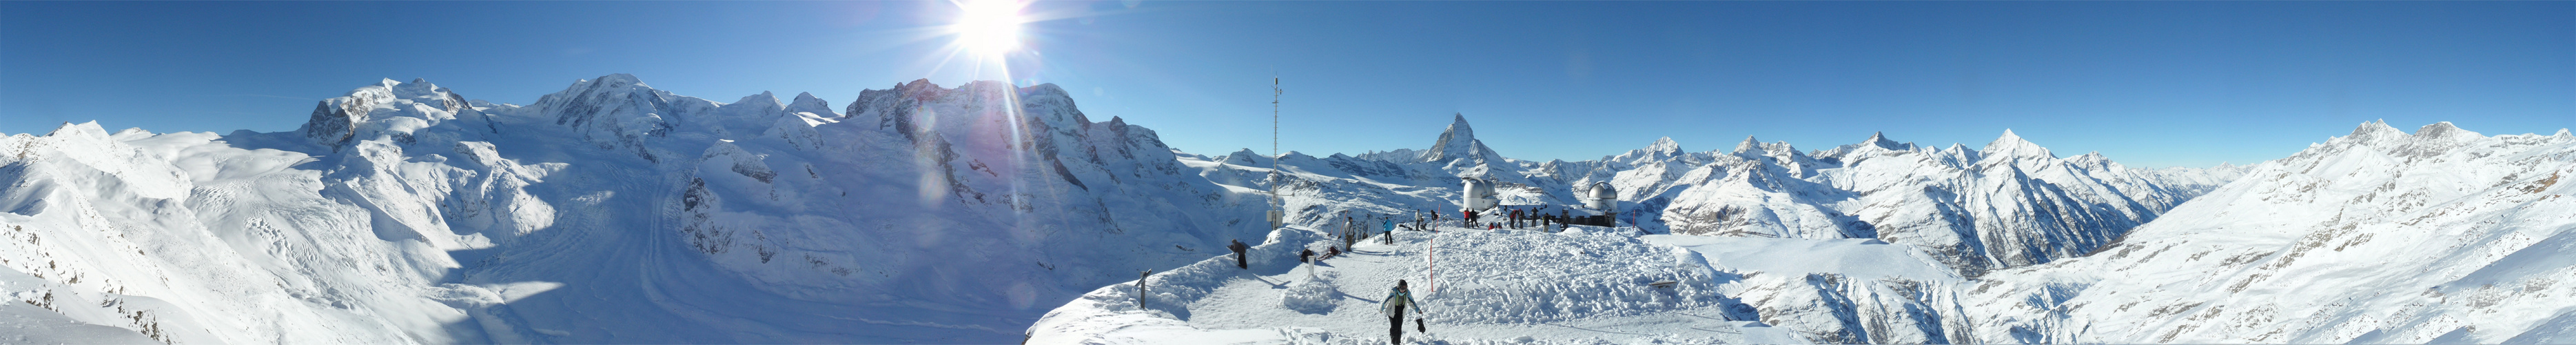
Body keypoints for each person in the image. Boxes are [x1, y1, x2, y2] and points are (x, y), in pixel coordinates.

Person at [1383, 280, 1424, 344]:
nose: (1403, 290)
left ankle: (1398, 342)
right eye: (1402, 288)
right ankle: (1394, 342)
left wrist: (1418, 310)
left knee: (1399, 328)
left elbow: (1412, 302)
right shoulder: (1393, 292)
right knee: (1395, 327)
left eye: (1405, 288)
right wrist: (1382, 308)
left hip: (1401, 312)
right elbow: (1386, 300)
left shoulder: (1407, 293)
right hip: (1392, 312)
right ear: (1398, 287)